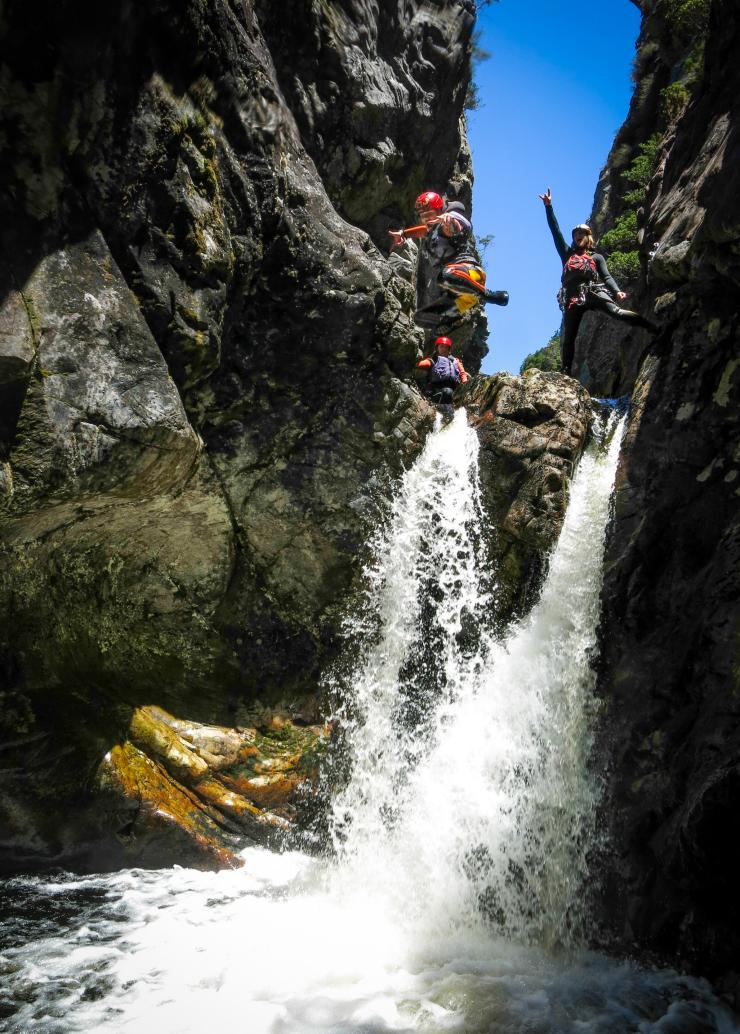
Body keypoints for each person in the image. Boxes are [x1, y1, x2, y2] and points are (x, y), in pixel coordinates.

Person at [539, 187, 658, 376]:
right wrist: (548, 207)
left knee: (616, 312)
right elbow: (556, 232)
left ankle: (652, 328)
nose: (577, 235)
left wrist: (616, 291)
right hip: (572, 297)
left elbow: (607, 276)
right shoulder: (567, 254)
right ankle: (566, 371)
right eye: (576, 234)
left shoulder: (597, 257)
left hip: (593, 290)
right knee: (569, 337)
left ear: (588, 238)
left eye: (581, 233)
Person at [389, 191, 508, 331]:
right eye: (423, 217)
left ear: (440, 210)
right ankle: (454, 319)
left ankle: (489, 295)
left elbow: (456, 226)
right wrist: (404, 234)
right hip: (459, 296)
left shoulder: (449, 221)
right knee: (421, 318)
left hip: (471, 275)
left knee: (445, 276)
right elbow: (424, 230)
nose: (426, 219)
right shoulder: (433, 229)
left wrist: (450, 220)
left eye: (429, 215)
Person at [416, 335, 468, 407]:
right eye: (441, 346)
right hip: (436, 389)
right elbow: (423, 364)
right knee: (447, 392)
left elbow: (462, 373)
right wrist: (415, 363)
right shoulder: (433, 359)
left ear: (449, 349)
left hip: (453, 390)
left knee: (455, 396)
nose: (444, 349)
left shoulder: (455, 361)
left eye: (446, 347)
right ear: (437, 348)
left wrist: (465, 383)